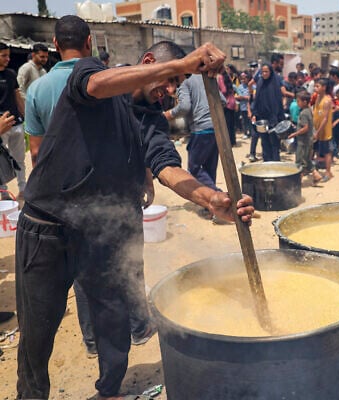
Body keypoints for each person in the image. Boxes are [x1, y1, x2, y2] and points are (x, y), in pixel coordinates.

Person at [15, 34, 255, 400]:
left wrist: (211, 199)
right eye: (170, 81)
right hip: (47, 228)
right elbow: (95, 86)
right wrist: (182, 64)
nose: (171, 91)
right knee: (37, 333)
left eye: (178, 84)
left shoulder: (150, 120)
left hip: (101, 232)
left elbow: (167, 167)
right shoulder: (91, 71)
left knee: (112, 319)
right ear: (147, 63)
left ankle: (109, 391)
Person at [24, 16, 156, 359]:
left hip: (57, 205)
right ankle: (139, 326)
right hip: (105, 198)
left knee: (81, 276)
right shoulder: (106, 81)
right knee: (120, 265)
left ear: (54, 45)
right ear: (89, 44)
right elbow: (128, 135)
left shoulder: (38, 89)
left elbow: (37, 152)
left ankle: (93, 342)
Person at [164, 73, 222, 192]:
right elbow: (222, 100)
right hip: (216, 129)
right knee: (209, 168)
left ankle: (218, 195)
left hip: (200, 130)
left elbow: (185, 107)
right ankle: (210, 204)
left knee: (194, 168)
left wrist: (169, 114)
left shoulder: (185, 83)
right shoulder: (205, 79)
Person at [0, 42, 26, 200]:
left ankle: (23, 188)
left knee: (19, 158)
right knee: (1, 160)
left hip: (16, 123)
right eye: (4, 55)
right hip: (1, 126)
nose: (8, 58)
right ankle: (3, 191)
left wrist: (25, 116)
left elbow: (17, 96)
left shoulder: (10, 74)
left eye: (8, 55)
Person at [249, 63, 284, 162]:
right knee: (264, 142)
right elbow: (257, 100)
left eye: (266, 72)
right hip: (262, 118)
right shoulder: (260, 83)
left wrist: (278, 117)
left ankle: (275, 163)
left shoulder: (275, 83)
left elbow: (278, 102)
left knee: (274, 142)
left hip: (273, 118)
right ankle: (267, 162)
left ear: (270, 72)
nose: (264, 74)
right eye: (262, 72)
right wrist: (254, 114)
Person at [288, 91, 323, 183]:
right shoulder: (308, 111)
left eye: (298, 101)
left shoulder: (304, 113)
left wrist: (294, 134)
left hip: (303, 142)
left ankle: (296, 182)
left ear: (304, 102)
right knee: (307, 160)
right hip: (309, 140)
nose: (297, 103)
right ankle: (316, 175)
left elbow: (306, 128)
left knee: (299, 162)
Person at [313, 78, 333, 181]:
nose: (315, 88)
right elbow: (315, 112)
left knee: (327, 152)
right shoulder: (317, 98)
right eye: (315, 86)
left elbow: (325, 118)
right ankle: (317, 169)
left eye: (318, 86)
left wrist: (318, 131)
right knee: (316, 149)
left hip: (324, 131)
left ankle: (328, 172)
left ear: (324, 87)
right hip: (316, 129)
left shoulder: (327, 100)